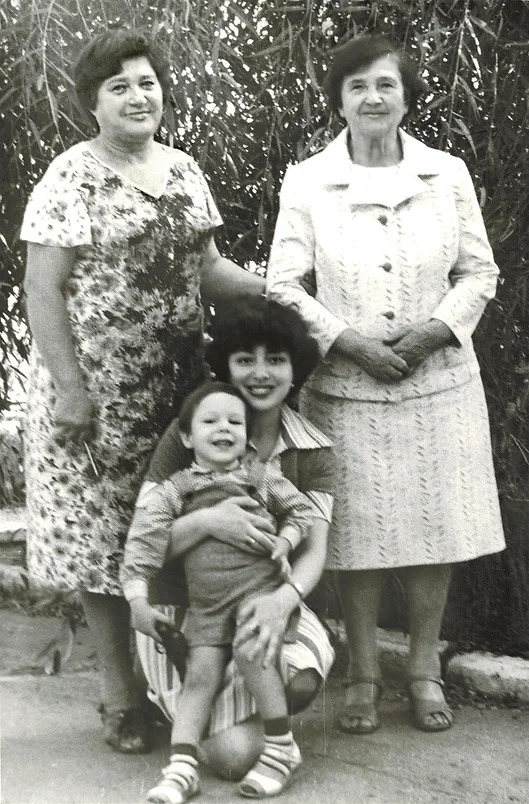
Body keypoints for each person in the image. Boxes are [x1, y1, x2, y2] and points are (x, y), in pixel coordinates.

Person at [20, 28, 264, 754]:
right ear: (92, 103)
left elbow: (208, 270)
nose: (138, 95)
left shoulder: (185, 169)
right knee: (103, 548)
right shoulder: (70, 176)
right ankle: (121, 698)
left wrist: (276, 293)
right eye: (119, 85)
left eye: (148, 81)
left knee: (170, 532)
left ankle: (182, 688)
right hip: (94, 398)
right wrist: (69, 389)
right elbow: (42, 289)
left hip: (177, 393)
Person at [266, 33, 505, 735]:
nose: (371, 98)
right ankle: (365, 673)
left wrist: (433, 332)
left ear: (406, 97)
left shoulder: (446, 173)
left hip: (438, 380)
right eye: (357, 87)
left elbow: (478, 272)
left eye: (385, 86)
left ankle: (424, 669)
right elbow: (283, 284)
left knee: (436, 529)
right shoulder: (308, 179)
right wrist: (347, 341)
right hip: (346, 384)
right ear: (337, 100)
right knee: (356, 537)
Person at [134, 297, 335, 786]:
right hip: (189, 606)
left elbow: (315, 548)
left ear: (295, 369)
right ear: (226, 365)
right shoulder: (191, 431)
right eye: (245, 359)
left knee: (300, 677)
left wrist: (280, 601)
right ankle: (194, 711)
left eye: (276, 359)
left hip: (264, 596)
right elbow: (145, 539)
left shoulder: (313, 447)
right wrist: (209, 522)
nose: (260, 373)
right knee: (231, 758)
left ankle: (261, 724)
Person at [123, 381, 314, 801]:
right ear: (187, 436)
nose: (223, 428)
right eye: (210, 421)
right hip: (208, 607)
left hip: (258, 596)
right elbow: (143, 543)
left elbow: (301, 511)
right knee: (199, 678)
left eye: (235, 421)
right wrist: (137, 599)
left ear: (247, 434)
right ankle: (182, 767)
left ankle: (281, 748)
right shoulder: (175, 489)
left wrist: (284, 542)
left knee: (252, 649)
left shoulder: (258, 477)